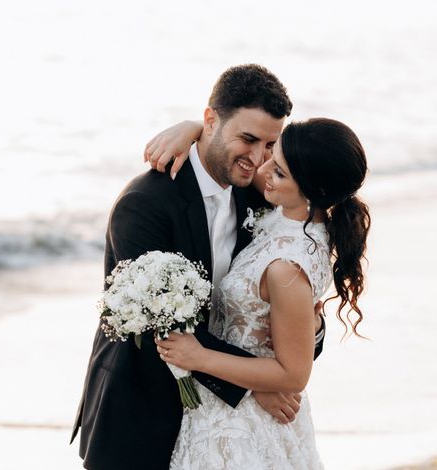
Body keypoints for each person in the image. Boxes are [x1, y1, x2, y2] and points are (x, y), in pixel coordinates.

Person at [71, 64, 326, 470]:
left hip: (221, 429)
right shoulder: (145, 204)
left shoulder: (256, 195)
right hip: (143, 413)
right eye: (248, 139)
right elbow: (160, 328)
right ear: (211, 121)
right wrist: (252, 384)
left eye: (269, 145)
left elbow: (281, 287)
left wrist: (308, 330)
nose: (258, 158)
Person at [155, 117, 370, 469]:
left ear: (313, 190)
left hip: (246, 427)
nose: (263, 167)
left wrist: (198, 358)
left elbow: (294, 375)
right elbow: (227, 158)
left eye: (279, 170)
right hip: (228, 407)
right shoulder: (291, 213)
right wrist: (195, 129)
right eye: (273, 154)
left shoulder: (287, 265)